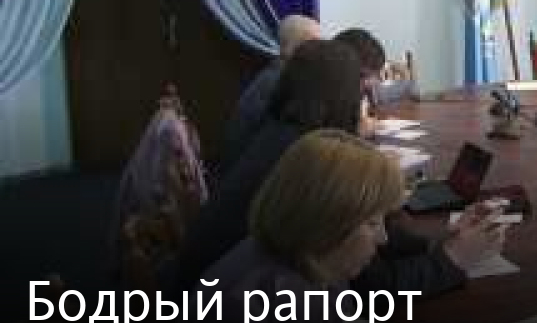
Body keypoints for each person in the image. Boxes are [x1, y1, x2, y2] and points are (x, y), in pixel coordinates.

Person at [173, 40, 504, 300]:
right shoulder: (310, 162)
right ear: (343, 96)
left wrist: (439, 242)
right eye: (362, 91)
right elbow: (372, 290)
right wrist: (453, 259)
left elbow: (367, 247)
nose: (367, 100)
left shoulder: (286, 134)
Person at [168, 129, 503, 323]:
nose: (383, 238)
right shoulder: (293, 307)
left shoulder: (278, 253)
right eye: (372, 223)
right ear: (328, 225)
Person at [223, 14, 322, 169]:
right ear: (299, 47)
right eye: (319, 45)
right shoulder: (281, 84)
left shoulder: (274, 75)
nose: (323, 53)